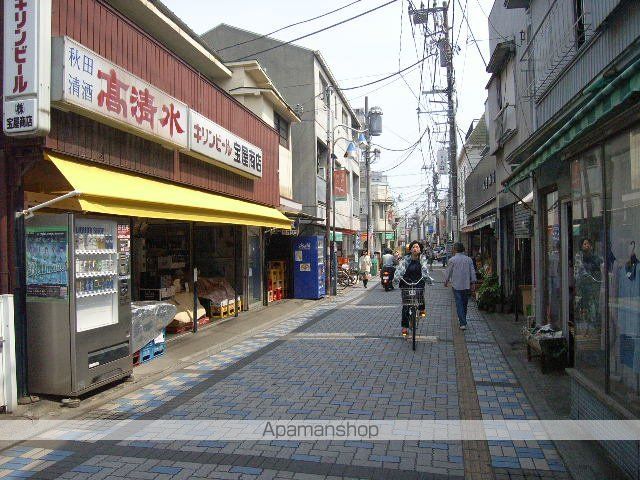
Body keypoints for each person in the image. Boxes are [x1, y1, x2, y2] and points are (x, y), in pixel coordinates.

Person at [394, 240, 433, 336]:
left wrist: (427, 279)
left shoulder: (422, 259)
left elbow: (424, 269)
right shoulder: (405, 259)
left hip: (418, 281)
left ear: (420, 250)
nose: (415, 249)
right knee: (406, 305)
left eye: (417, 247)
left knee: (420, 295)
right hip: (406, 282)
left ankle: (421, 309)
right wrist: (396, 278)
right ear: (410, 250)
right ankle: (404, 327)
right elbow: (400, 269)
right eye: (413, 247)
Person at [444, 242, 477, 330]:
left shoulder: (452, 260)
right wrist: (473, 282)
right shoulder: (468, 259)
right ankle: (463, 320)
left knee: (459, 304)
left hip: (456, 285)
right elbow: (472, 271)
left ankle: (462, 322)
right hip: (466, 285)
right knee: (464, 303)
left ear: (455, 249)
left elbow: (448, 272)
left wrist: (446, 281)